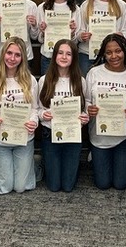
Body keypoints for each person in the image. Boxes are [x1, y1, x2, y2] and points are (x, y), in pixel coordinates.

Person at [85, 34, 126, 190]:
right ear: (103, 53)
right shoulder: (94, 73)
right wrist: (89, 109)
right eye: (109, 52)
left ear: (125, 52)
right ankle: (95, 154)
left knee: (120, 184)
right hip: (99, 137)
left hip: (124, 136)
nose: (114, 56)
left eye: (118, 51)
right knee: (102, 184)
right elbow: (87, 100)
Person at [0, 37, 39, 195]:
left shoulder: (30, 80)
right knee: (4, 188)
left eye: (17, 55)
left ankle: (37, 166)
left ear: (23, 57)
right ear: (3, 54)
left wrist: (33, 122)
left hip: (23, 139)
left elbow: (35, 109)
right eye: (9, 53)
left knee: (21, 187)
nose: (12, 58)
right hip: (0, 140)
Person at [38, 38, 89, 193]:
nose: (64, 57)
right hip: (50, 134)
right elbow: (38, 109)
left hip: (72, 135)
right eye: (60, 53)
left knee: (67, 187)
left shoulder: (80, 81)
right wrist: (43, 115)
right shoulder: (44, 80)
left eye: (69, 54)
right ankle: (40, 165)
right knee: (53, 186)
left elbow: (85, 108)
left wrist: (85, 117)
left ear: (74, 58)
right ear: (54, 56)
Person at [76, 0, 126, 75]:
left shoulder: (122, 5)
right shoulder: (85, 5)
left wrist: (121, 35)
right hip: (87, 55)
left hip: (112, 56)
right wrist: (82, 36)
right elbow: (78, 33)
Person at [37, 0, 81, 76]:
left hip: (68, 58)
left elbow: (76, 41)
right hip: (48, 56)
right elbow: (39, 39)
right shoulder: (42, 7)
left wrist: (72, 33)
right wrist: (43, 32)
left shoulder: (75, 9)